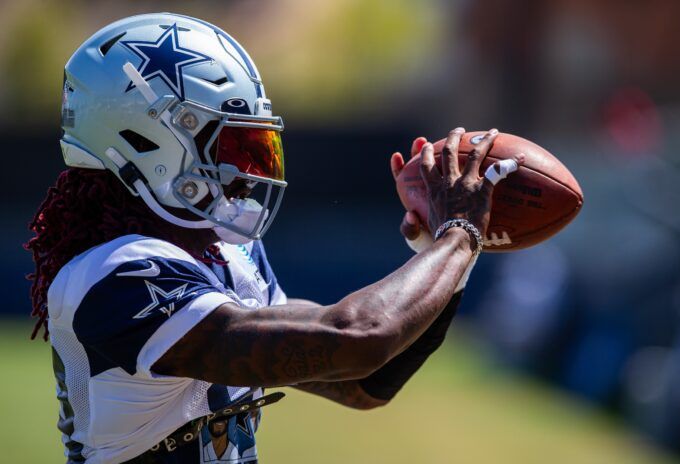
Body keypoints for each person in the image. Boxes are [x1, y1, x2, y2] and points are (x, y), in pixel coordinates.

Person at [25, 13, 521, 464]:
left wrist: (446, 253)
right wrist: (459, 234)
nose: (246, 171)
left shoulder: (224, 252)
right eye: (231, 145)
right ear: (146, 141)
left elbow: (367, 383)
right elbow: (357, 339)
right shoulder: (118, 274)